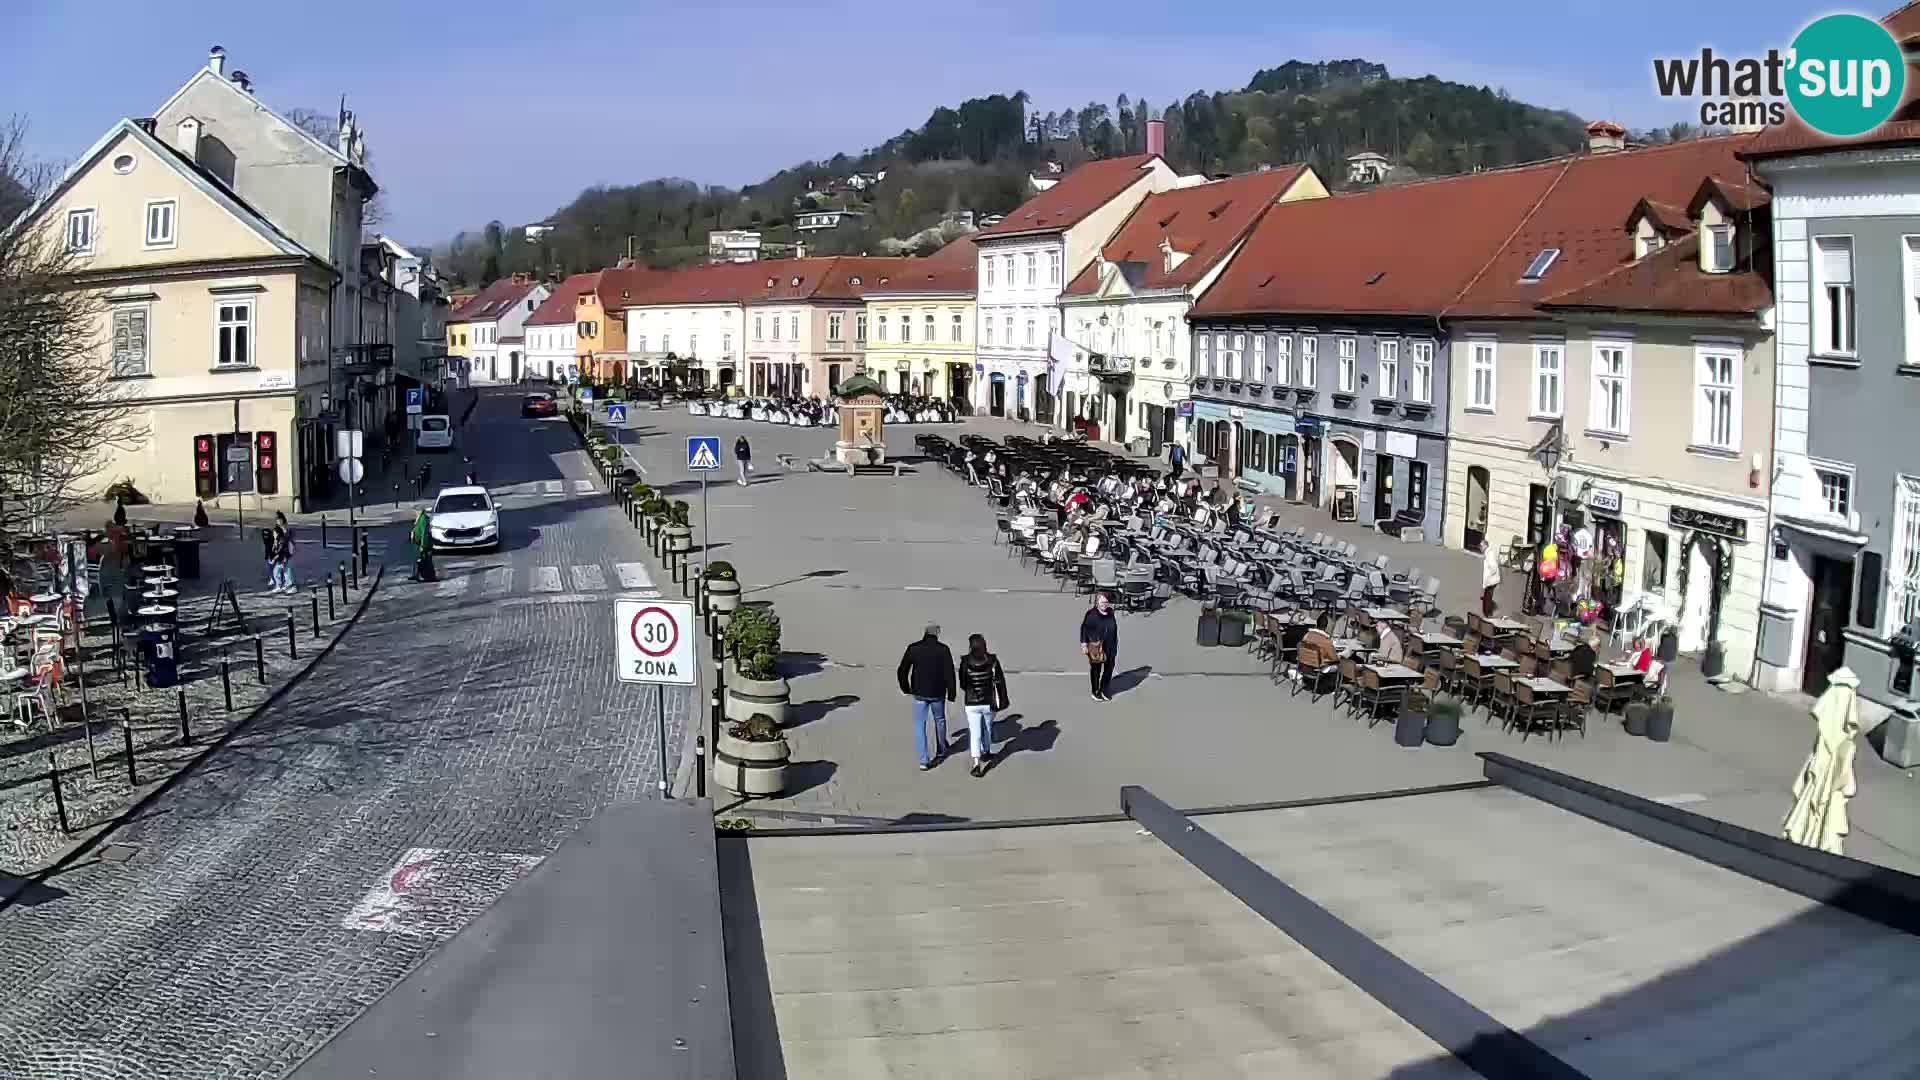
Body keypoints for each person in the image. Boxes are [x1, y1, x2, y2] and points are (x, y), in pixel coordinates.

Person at [896, 624, 957, 770]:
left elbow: (902, 669)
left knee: (919, 725)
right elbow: (950, 672)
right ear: (937, 634)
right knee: (939, 720)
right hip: (938, 693)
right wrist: (952, 693)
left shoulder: (914, 648)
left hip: (919, 693)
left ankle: (923, 760)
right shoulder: (943, 649)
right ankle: (941, 749)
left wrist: (905, 688)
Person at [956, 634, 1010, 778]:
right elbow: (998, 680)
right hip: (987, 701)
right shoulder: (992, 660)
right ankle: (986, 751)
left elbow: (962, 682)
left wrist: (970, 689)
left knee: (975, 733)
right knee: (987, 728)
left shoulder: (965, 661)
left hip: (971, 702)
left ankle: (976, 763)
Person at [1079, 592, 1120, 701]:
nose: (1104, 604)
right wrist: (1083, 644)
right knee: (1096, 669)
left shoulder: (1110, 612)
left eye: (1106, 602)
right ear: (1097, 602)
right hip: (1096, 647)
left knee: (1109, 668)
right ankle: (1095, 691)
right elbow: (1084, 628)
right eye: (1102, 602)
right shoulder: (1091, 614)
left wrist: (1115, 644)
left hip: (1110, 646)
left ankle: (1104, 689)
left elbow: (1114, 628)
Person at [270, 511, 296, 594]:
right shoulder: (278, 529)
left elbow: (285, 543)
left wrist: (282, 555)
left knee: (286, 570)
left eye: (280, 519)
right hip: (282, 554)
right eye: (277, 520)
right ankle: (282, 585)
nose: (278, 521)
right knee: (280, 570)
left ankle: (291, 586)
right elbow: (277, 542)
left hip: (286, 553)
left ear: (283, 519)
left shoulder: (286, 529)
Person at [409, 507, 436, 582]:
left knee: (426, 560)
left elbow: (424, 533)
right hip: (419, 542)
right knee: (420, 560)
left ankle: (429, 576)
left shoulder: (423, 519)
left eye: (415, 511)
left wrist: (423, 545)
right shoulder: (420, 518)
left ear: (419, 511)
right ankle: (417, 575)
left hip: (424, 543)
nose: (415, 513)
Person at [1480, 537, 1502, 617]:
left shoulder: (1489, 554)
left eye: (1481, 546)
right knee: (1487, 596)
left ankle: (1488, 613)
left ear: (1486, 546)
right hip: (1490, 580)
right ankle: (1487, 612)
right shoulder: (1488, 553)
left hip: (1491, 581)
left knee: (1488, 597)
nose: (1480, 548)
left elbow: (1493, 567)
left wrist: (1488, 577)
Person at [260, 526, 277, 591]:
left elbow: (272, 549)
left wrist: (271, 557)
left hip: (272, 556)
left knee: (273, 568)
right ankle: (272, 579)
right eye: (264, 535)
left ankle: (274, 580)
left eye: (266, 535)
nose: (265, 536)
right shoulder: (266, 540)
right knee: (270, 568)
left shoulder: (271, 540)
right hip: (269, 556)